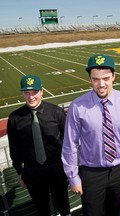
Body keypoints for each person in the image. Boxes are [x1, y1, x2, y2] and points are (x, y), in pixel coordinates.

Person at [61, 54, 120, 216]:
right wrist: (73, 177)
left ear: (114, 76)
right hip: (91, 174)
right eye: (95, 79)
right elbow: (70, 144)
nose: (101, 84)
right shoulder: (77, 106)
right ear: (89, 80)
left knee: (116, 212)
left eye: (106, 78)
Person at [7, 75, 71, 216]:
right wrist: (19, 172)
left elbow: (68, 142)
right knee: (42, 208)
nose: (31, 97)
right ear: (22, 93)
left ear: (42, 91)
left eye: (34, 92)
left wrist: (69, 167)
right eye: (27, 93)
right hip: (32, 172)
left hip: (56, 168)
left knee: (63, 204)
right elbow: (14, 147)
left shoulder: (56, 112)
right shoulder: (15, 118)